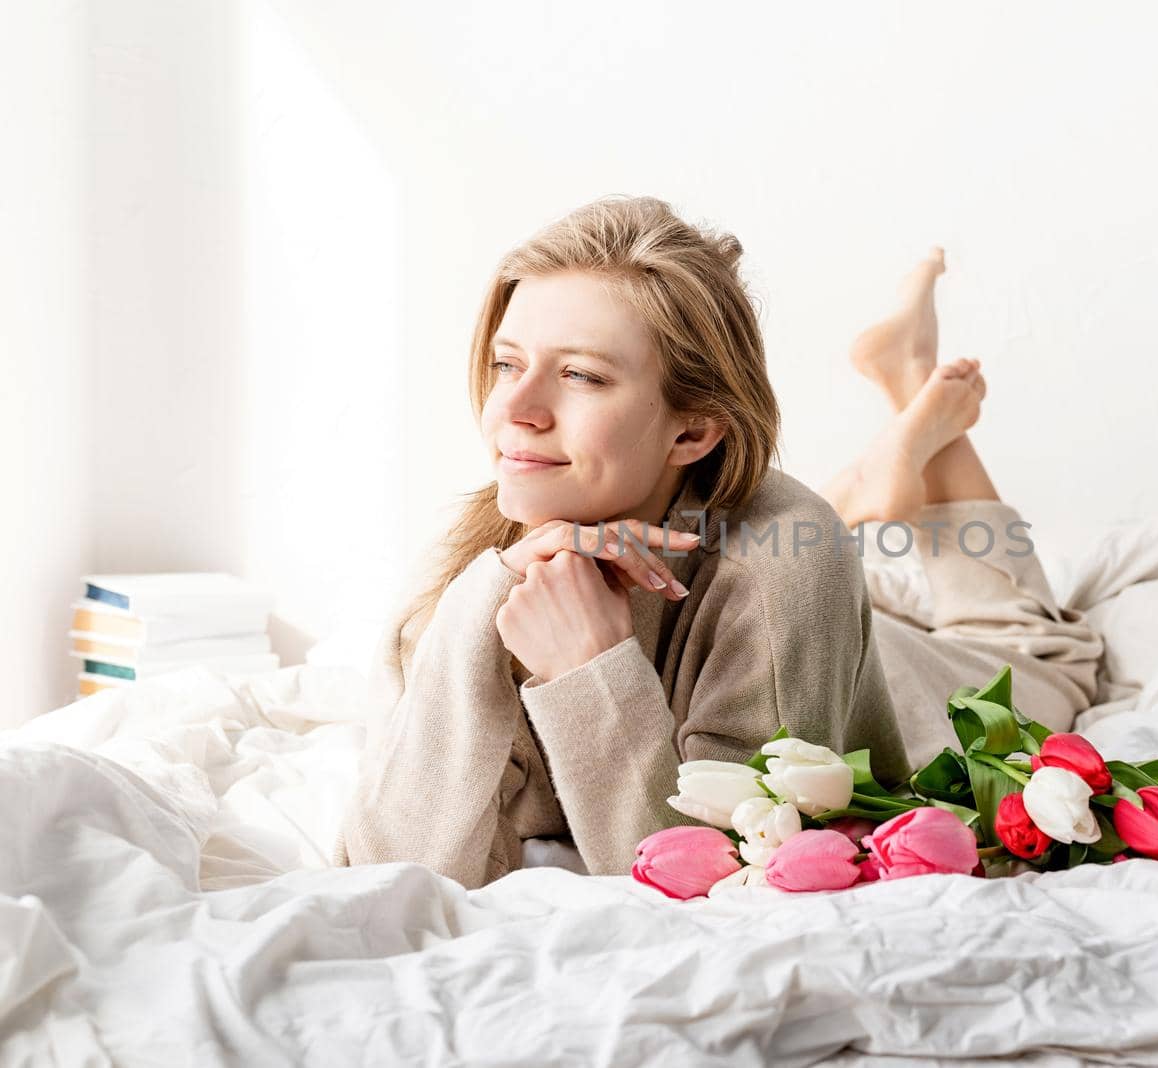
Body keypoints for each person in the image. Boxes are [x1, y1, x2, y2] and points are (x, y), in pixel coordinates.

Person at [332, 196, 1103, 889]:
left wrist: (588, 672)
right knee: (793, 536)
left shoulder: (783, 573)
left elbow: (718, 881)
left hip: (888, 674)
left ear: (694, 430)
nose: (516, 410)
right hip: (777, 579)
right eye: (507, 363)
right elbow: (388, 870)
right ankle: (880, 441)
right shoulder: (476, 552)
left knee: (1046, 660)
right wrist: (484, 602)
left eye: (582, 376)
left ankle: (905, 390)